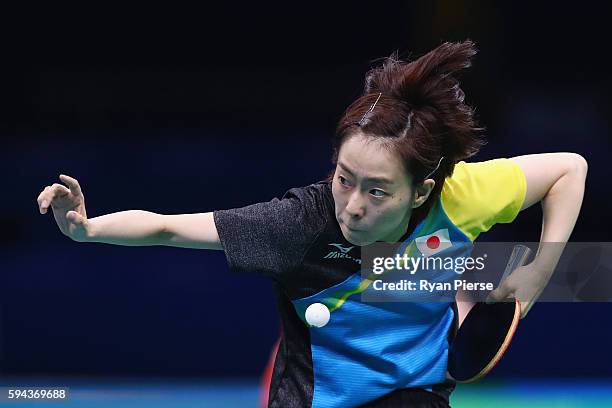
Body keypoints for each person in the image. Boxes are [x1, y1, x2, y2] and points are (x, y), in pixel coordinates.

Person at [37, 40, 587, 407]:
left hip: (414, 392)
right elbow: (169, 227)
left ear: (422, 189)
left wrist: (541, 272)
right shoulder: (298, 224)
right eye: (344, 178)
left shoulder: (464, 194)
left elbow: (570, 169)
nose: (351, 205)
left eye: (376, 191)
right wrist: (86, 229)